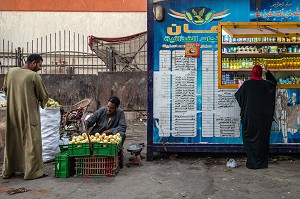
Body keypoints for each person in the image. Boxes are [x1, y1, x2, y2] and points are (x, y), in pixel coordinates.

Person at [2, 54, 49, 179]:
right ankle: (33, 172)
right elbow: (43, 96)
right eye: (39, 65)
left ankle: (9, 170)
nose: (40, 68)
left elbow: (5, 89)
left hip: (13, 114)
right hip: (29, 115)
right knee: (32, 142)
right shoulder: (33, 76)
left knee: (13, 141)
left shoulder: (11, 72)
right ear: (33, 63)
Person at [235, 64, 277, 169]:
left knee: (250, 139)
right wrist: (268, 72)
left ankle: (252, 162)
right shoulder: (267, 84)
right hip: (264, 119)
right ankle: (261, 163)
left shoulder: (246, 85)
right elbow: (274, 83)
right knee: (263, 139)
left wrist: (240, 87)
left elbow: (239, 97)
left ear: (252, 72)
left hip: (250, 119)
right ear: (261, 72)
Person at [85, 96, 127, 167]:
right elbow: (90, 121)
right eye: (108, 106)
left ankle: (117, 155)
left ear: (116, 108)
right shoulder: (102, 111)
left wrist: (110, 131)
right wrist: (85, 125)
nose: (108, 109)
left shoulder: (120, 113)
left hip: (111, 138)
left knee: (122, 134)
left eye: (111, 108)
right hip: (97, 136)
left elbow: (122, 127)